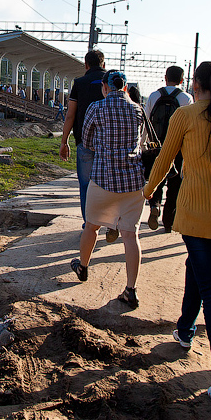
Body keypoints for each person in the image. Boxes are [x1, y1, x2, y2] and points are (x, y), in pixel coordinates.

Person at [143, 61, 211, 408]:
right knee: (199, 267)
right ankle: (185, 329)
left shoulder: (187, 116)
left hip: (196, 216)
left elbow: (164, 158)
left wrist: (148, 191)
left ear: (195, 84)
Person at [70, 70, 146, 308]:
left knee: (91, 226)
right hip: (134, 183)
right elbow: (141, 141)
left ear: (105, 87)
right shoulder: (138, 110)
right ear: (124, 88)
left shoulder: (96, 108)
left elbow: (87, 141)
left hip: (103, 178)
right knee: (130, 235)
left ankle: (83, 267)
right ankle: (130, 290)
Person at [59, 50, 110, 234]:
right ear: (103, 64)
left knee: (86, 185)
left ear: (86, 65)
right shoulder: (111, 81)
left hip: (84, 142)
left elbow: (70, 115)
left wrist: (64, 142)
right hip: (109, 144)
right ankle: (110, 221)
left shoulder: (79, 83)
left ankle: (89, 225)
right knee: (109, 183)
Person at [144, 66, 193, 232]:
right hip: (178, 148)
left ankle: (154, 205)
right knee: (175, 184)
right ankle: (168, 221)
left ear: (165, 78)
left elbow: (146, 122)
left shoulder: (153, 96)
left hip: (156, 146)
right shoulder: (187, 98)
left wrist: (144, 145)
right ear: (182, 80)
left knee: (156, 178)